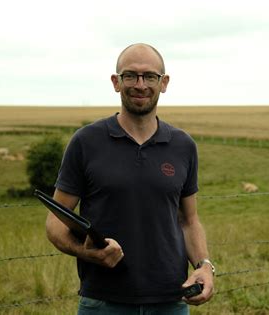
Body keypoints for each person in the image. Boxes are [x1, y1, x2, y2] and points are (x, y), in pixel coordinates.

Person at [45, 43, 214, 314]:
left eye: (150, 76)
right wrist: (87, 252)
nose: (140, 84)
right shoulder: (86, 142)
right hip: (103, 302)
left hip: (171, 301)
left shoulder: (183, 145)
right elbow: (55, 220)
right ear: (116, 82)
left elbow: (189, 221)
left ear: (164, 83)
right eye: (130, 76)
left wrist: (204, 265)